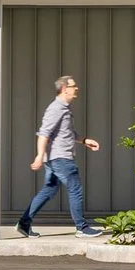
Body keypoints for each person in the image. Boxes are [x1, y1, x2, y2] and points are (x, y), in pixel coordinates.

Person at [19, 74, 103, 237]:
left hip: (55, 158)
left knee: (49, 190)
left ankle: (24, 223)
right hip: (60, 158)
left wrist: (84, 140)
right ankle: (81, 228)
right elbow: (44, 133)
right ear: (65, 89)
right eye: (73, 86)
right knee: (75, 189)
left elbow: (66, 132)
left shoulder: (64, 108)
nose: (76, 88)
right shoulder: (56, 108)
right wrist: (39, 155)